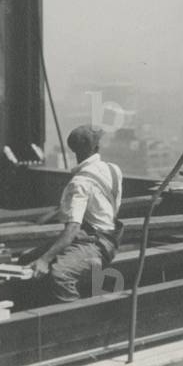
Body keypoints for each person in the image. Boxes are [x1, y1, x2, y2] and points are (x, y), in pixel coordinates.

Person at [25, 125, 124, 301]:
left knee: (59, 275)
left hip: (96, 246)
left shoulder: (79, 183)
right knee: (27, 258)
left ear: (74, 151)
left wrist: (45, 260)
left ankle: (76, 317)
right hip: (112, 237)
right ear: (96, 148)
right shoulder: (113, 170)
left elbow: (71, 230)